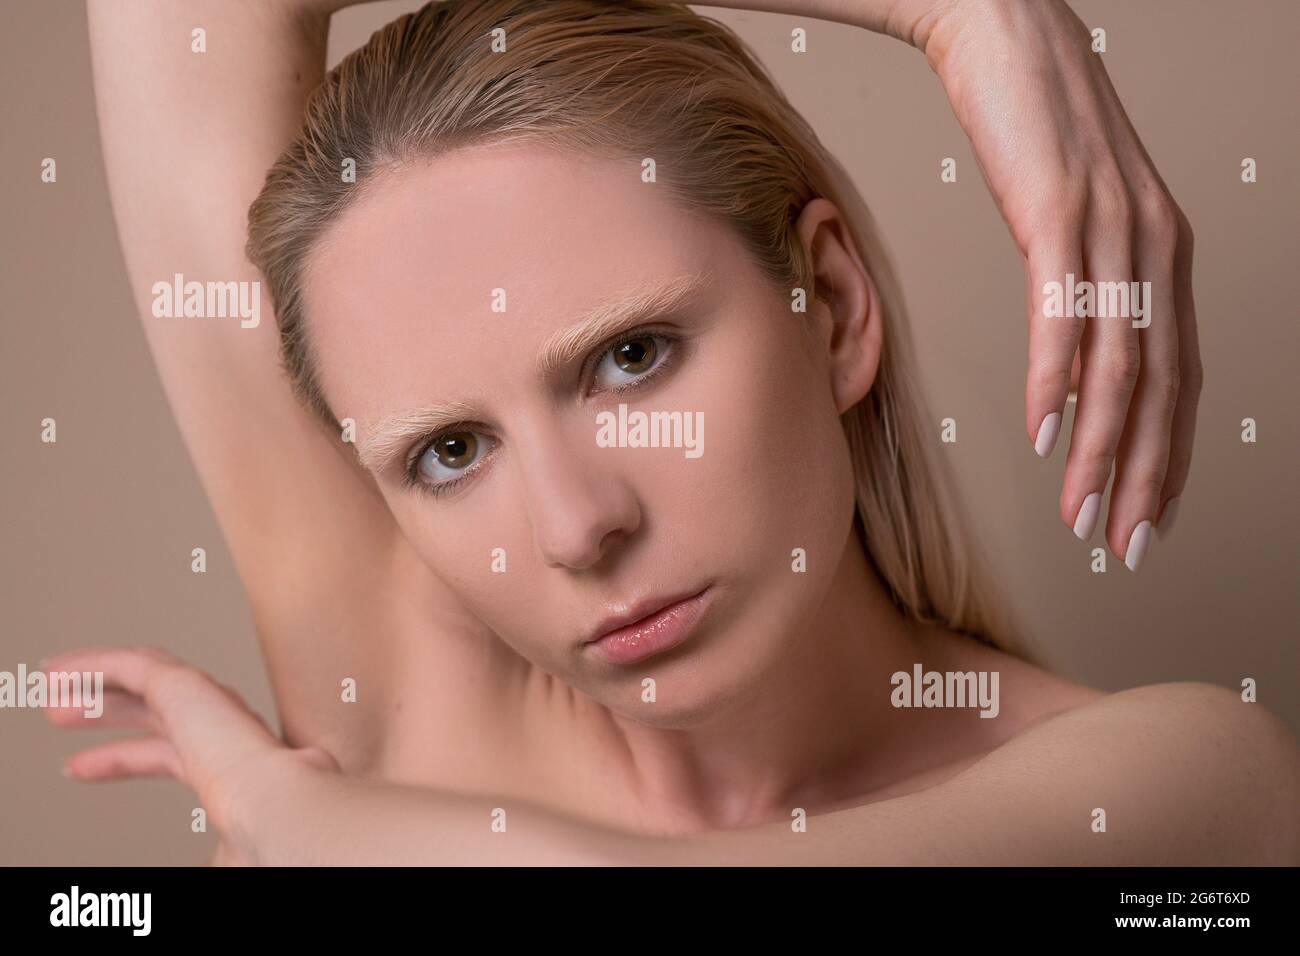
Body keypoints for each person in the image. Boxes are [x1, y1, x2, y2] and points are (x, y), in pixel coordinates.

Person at [56, 0, 1294, 865]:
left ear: (837, 308)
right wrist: (961, 9)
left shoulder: (1186, 779)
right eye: (448, 451)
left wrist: (311, 831)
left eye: (628, 358)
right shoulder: (399, 676)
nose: (578, 526)